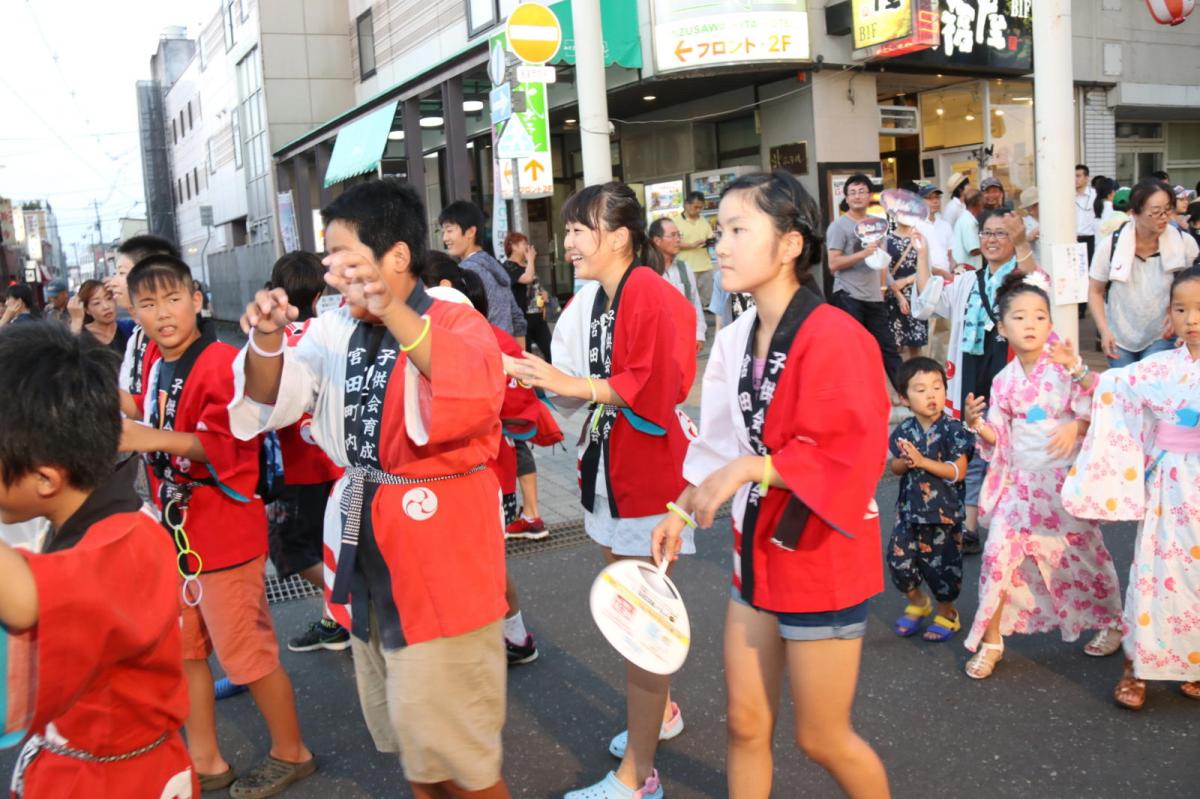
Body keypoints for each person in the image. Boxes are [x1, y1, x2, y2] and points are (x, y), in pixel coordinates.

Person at [232, 179, 512, 799]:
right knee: (417, 751)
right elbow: (267, 401)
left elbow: (471, 389)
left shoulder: (452, 315)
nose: (333, 276)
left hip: (440, 553)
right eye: (329, 261)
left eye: (346, 259)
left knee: (465, 760)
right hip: (369, 545)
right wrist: (268, 338)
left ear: (398, 257)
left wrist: (389, 306)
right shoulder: (335, 328)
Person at [652, 170, 890, 798]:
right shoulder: (735, 338)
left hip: (821, 548)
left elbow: (851, 448)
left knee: (821, 738)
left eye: (737, 230)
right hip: (756, 547)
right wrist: (680, 508)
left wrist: (750, 469)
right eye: (721, 231)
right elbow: (722, 442)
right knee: (745, 723)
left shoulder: (838, 335)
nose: (720, 246)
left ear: (789, 245)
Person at [504, 182, 697, 799]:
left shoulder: (648, 293)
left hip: (646, 470)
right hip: (615, 463)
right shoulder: (602, 297)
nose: (566, 242)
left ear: (618, 237)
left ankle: (637, 778)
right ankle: (660, 714)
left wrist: (572, 384)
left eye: (577, 230)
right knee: (630, 597)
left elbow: (652, 382)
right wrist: (550, 379)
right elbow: (583, 379)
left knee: (642, 619)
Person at [120, 254, 316, 797]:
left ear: (197, 300)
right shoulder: (159, 365)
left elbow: (229, 445)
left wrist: (145, 437)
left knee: (247, 656)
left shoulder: (222, 360)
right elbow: (155, 414)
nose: (163, 313)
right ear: (132, 311)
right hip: (179, 534)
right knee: (186, 654)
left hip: (224, 532)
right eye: (148, 304)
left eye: (173, 299)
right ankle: (205, 758)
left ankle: (290, 751)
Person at [0, 322, 197, 797]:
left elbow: (28, 600)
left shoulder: (121, 541)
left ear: (46, 479)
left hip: (113, 779)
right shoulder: (94, 518)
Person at [960, 272, 1124, 679]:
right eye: (1019, 317)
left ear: (1050, 324)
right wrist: (976, 425)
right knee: (997, 558)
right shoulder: (1003, 381)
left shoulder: (1066, 369)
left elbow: (1102, 405)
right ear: (1001, 327)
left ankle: (1113, 622)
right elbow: (999, 436)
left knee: (1085, 556)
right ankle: (992, 640)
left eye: (1039, 317)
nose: (1030, 324)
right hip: (1019, 485)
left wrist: (1077, 426)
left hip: (1062, 485)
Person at [1063, 265, 1200, 709]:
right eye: (1181, 308)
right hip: (1171, 486)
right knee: (1157, 572)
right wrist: (1078, 368)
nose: (1191, 318)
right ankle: (1137, 667)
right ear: (1168, 316)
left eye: (1199, 309)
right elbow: (1110, 390)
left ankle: (1192, 662)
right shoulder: (1161, 367)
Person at [911, 210, 1038, 556]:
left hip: (1010, 367)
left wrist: (1025, 241)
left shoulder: (1022, 279)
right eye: (987, 233)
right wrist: (922, 254)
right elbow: (928, 301)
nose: (992, 240)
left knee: (1008, 443)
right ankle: (970, 525)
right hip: (970, 366)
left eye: (1001, 233)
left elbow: (1039, 287)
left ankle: (1009, 520)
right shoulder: (967, 280)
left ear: (1013, 239)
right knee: (972, 441)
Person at [445, 265, 547, 665]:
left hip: (477, 476)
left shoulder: (460, 342)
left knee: (475, 565)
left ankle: (500, 639)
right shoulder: (497, 338)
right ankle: (513, 635)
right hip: (492, 477)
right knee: (486, 562)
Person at [258, 252, 352, 655]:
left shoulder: (275, 340)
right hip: (335, 463)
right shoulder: (328, 332)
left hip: (295, 468)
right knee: (328, 541)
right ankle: (337, 616)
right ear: (319, 291)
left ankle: (346, 601)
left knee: (291, 551)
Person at [888, 357, 973, 643]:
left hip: (944, 515)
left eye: (937, 387)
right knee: (899, 563)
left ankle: (947, 612)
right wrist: (904, 461)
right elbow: (895, 467)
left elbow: (957, 472)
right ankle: (918, 602)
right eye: (921, 390)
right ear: (904, 398)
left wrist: (922, 461)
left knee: (942, 570)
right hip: (909, 513)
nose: (931, 395)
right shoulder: (903, 431)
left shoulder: (954, 429)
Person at [1088, 179, 1199, 367]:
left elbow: (1194, 287)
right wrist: (1104, 331)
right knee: (1125, 392)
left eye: (1167, 210)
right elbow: (1095, 291)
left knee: (1153, 391)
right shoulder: (1111, 246)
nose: (1164, 217)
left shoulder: (1184, 243)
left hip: (1163, 334)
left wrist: (1179, 317)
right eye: (1156, 212)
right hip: (1119, 336)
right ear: (1134, 212)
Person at [827, 174, 902, 385]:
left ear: (870, 195)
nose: (857, 196)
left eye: (862, 191)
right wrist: (863, 254)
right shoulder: (838, 227)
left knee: (888, 347)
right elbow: (833, 265)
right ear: (846, 198)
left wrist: (889, 288)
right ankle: (855, 395)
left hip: (874, 296)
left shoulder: (878, 224)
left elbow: (882, 262)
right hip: (848, 295)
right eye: (852, 192)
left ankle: (905, 394)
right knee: (853, 350)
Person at [108, 234, 180, 406]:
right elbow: (140, 406)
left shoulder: (168, 338)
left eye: (121, 273)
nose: (112, 282)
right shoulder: (138, 334)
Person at [439, 200, 527, 341]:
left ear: (471, 232)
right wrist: (518, 356)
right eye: (443, 232)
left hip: (483, 354)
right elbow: (517, 318)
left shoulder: (467, 271)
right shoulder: (495, 266)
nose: (445, 238)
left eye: (449, 231)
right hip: (504, 351)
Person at [647, 217, 706, 350]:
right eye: (673, 235)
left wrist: (699, 334)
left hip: (683, 342)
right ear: (657, 241)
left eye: (679, 235)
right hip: (656, 345)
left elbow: (694, 303)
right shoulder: (646, 271)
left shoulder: (685, 268)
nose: (678, 240)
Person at [884, 213, 927, 361]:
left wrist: (908, 280)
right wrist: (898, 294)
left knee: (916, 342)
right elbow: (883, 271)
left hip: (916, 294)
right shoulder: (886, 241)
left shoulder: (920, 239)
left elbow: (927, 269)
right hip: (893, 295)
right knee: (895, 342)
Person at [502, 232, 552, 360]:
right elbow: (527, 278)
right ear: (513, 246)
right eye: (523, 243)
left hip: (538, 316)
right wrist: (530, 259)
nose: (527, 246)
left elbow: (535, 284)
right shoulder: (508, 266)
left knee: (552, 351)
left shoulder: (527, 264)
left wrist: (544, 293)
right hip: (522, 319)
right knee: (526, 356)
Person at [68, 279, 136, 354]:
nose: (106, 306)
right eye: (97, 303)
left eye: (109, 298)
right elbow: (69, 357)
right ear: (87, 310)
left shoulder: (130, 327)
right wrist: (76, 321)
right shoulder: (82, 334)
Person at [675, 190, 717, 308]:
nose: (698, 210)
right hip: (686, 266)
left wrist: (711, 241)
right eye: (695, 207)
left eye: (701, 208)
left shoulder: (703, 221)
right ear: (686, 205)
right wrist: (691, 245)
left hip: (705, 265)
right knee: (688, 300)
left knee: (706, 299)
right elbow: (672, 244)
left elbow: (710, 237)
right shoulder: (675, 222)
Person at [951, 188, 985, 272]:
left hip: (964, 269)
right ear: (978, 203)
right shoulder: (969, 222)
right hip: (967, 271)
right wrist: (990, 248)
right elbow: (973, 250)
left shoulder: (965, 218)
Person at [1075, 164, 1098, 265]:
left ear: (1086, 178)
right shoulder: (1067, 195)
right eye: (1073, 176)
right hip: (1073, 238)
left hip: (1090, 238)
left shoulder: (1095, 195)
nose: (1075, 179)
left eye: (1078, 176)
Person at [1019, 186, 1041, 264]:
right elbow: (1025, 239)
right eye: (1028, 208)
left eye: (1035, 205)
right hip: (1036, 266)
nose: (1031, 210)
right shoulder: (1023, 222)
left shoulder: (1053, 219)